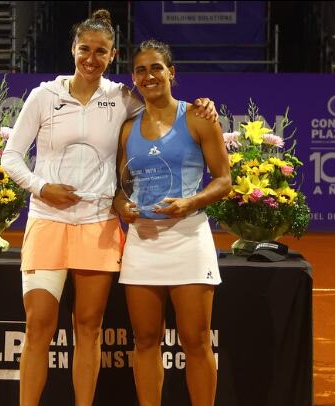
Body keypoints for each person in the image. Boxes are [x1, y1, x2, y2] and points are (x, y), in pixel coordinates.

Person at [1, 10, 217, 406]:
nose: (91, 58)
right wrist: (42, 187)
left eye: (101, 51)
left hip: (97, 224)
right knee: (38, 326)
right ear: (73, 49)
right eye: (85, 49)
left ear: (112, 55)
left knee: (89, 327)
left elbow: (162, 109)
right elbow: (11, 157)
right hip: (48, 221)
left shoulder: (122, 98)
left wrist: (203, 105)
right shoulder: (43, 96)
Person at [114, 40, 231, 406]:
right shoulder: (127, 129)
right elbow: (119, 188)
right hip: (142, 242)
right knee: (145, 340)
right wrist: (123, 206)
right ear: (134, 79)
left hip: (188, 238)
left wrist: (189, 202)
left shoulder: (198, 117)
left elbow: (224, 180)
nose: (149, 76)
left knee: (196, 341)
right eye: (141, 70)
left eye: (156, 68)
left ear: (171, 73)